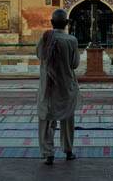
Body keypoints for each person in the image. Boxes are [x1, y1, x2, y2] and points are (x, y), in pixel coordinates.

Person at [36, 9, 79, 165]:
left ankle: (48, 154)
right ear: (67, 23)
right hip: (66, 86)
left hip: (48, 86)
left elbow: (39, 55)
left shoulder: (45, 38)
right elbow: (74, 64)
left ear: (51, 23)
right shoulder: (72, 40)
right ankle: (68, 151)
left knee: (46, 119)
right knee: (67, 119)